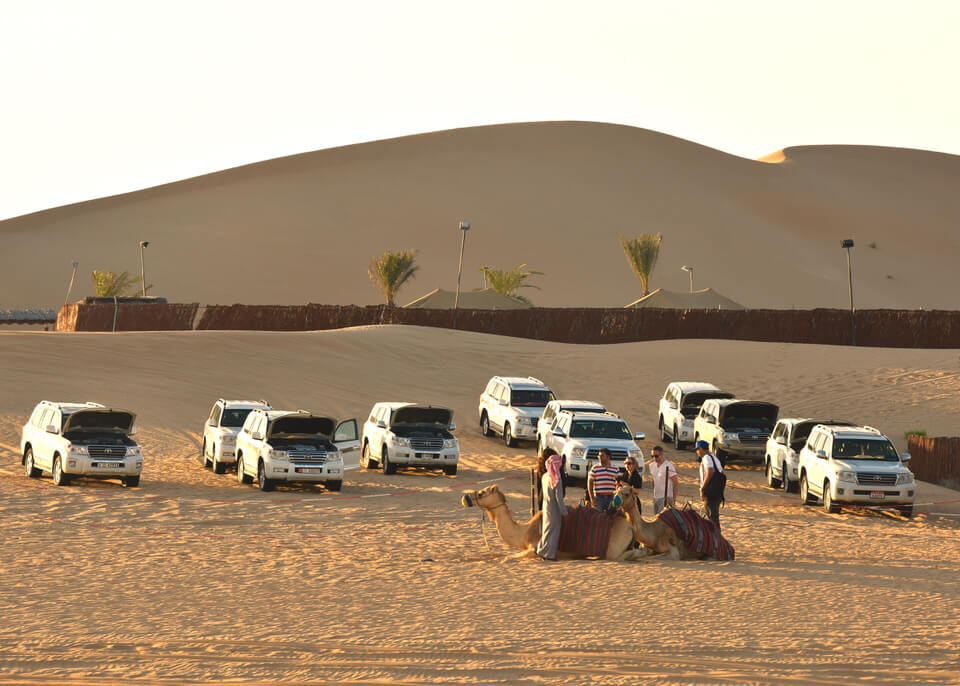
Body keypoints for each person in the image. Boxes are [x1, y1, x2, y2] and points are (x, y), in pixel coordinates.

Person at [535, 448, 567, 560]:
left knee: (546, 529)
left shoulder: (544, 476)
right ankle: (550, 554)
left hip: (545, 505)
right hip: (554, 508)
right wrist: (564, 511)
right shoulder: (556, 479)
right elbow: (559, 497)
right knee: (554, 531)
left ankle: (541, 549)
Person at [696, 439, 725, 532]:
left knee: (712, 518)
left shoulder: (706, 458)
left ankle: (716, 540)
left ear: (701, 449)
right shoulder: (713, 457)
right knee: (713, 516)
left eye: (697, 449)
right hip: (717, 492)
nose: (697, 452)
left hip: (711, 492)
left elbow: (710, 471)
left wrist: (702, 488)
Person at [648, 445, 679, 513]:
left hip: (666, 497)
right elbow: (653, 480)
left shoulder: (669, 466)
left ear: (662, 454)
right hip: (656, 497)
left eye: (656, 456)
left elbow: (675, 483)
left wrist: (673, 499)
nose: (654, 458)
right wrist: (654, 493)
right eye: (652, 456)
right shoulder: (652, 465)